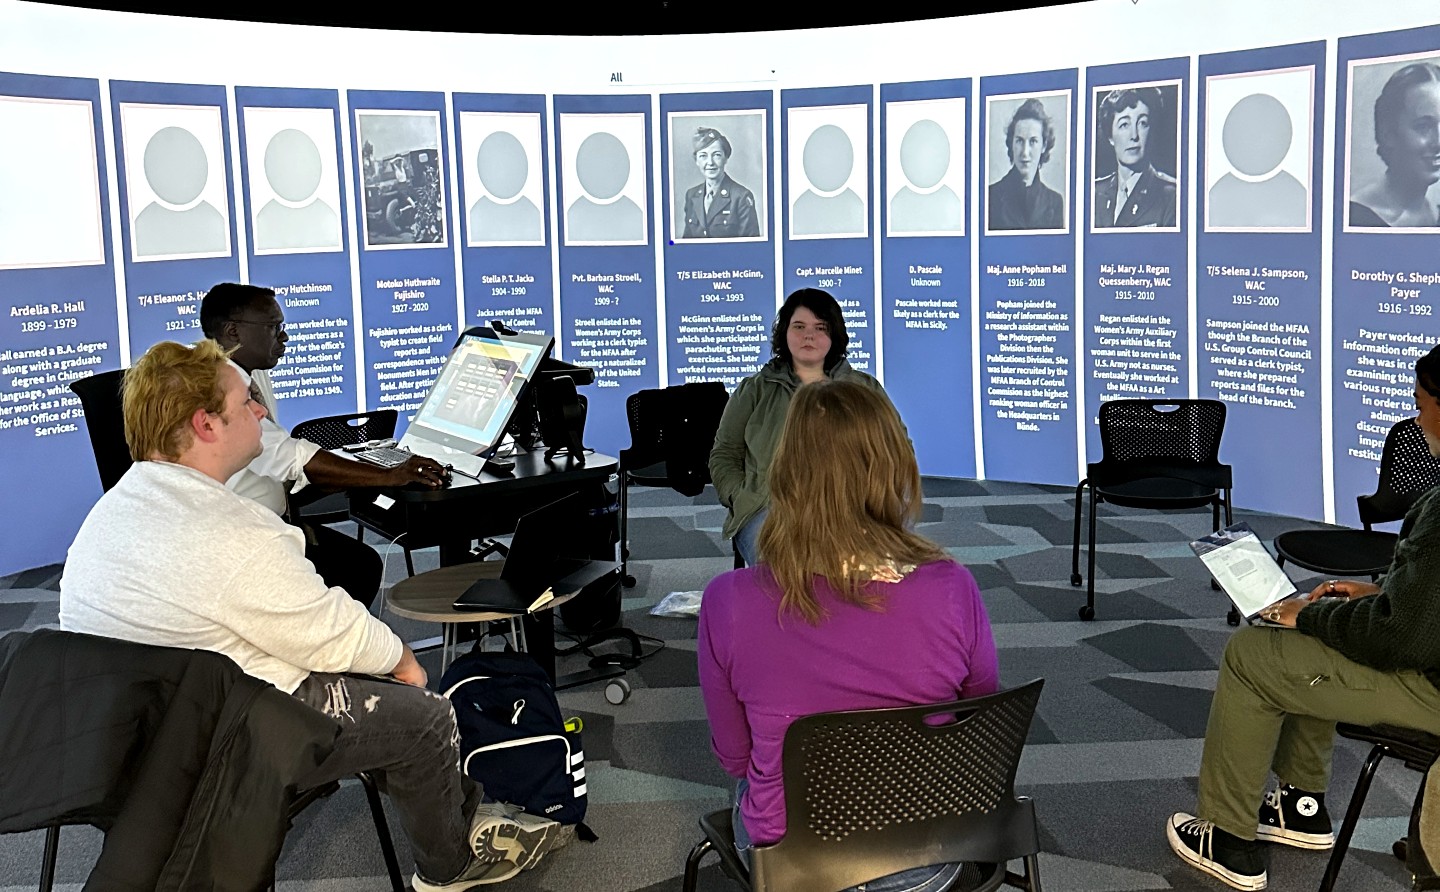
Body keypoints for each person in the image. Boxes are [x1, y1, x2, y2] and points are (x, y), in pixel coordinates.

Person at [59, 339, 568, 892]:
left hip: (126, 736)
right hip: (215, 740)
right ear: (206, 424)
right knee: (423, 715)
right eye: (248, 401)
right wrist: (402, 660)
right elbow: (332, 634)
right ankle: (449, 867)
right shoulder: (232, 532)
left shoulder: (114, 509)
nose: (261, 411)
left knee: (366, 678)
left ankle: (442, 798)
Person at [698, 378, 999, 892]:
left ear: (787, 474)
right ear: (893, 467)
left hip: (793, 862)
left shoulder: (727, 601)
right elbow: (978, 719)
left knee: (752, 785)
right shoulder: (953, 587)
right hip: (926, 856)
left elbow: (734, 757)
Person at [1166, 343, 1440, 891]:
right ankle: (1300, 806)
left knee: (1251, 653)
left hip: (1428, 685)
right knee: (1327, 618)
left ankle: (1225, 836)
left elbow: (1396, 639)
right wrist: (1378, 590)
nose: (1415, 414)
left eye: (1420, 401)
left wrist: (1310, 620)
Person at [200, 282, 450, 608]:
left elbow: (281, 463)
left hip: (272, 517)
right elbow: (288, 457)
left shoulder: (247, 371)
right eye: (274, 327)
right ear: (233, 331)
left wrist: (360, 469)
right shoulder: (216, 387)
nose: (284, 337)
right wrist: (393, 474)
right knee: (357, 568)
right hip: (241, 539)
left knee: (358, 563)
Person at [709, 288, 890, 567]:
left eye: (820, 327)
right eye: (799, 326)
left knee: (864, 574)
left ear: (834, 334)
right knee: (785, 576)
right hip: (769, 509)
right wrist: (738, 495)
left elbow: (896, 451)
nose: (809, 335)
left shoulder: (864, 390)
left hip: (852, 507)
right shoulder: (754, 391)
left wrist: (873, 501)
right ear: (785, 332)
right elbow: (725, 453)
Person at [1350, 61, 1440, 228]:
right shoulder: (1355, 218)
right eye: (1423, 126)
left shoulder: (1436, 215)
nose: (1438, 142)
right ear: (1389, 134)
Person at [1093, 87, 1177, 228]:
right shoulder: (1094, 193)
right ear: (1110, 136)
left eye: (1142, 123)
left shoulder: (1172, 195)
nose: (1134, 135)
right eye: (1124, 125)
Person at [987, 97, 1064, 231]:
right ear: (1011, 144)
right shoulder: (991, 197)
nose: (1025, 152)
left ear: (1044, 146)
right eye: (1019, 141)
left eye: (1033, 141)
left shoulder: (1055, 202)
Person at [681, 127, 759, 239]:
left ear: (726, 158)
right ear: (697, 161)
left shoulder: (741, 197)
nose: (710, 162)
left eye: (716, 155)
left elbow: (750, 248)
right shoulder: (691, 195)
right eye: (703, 156)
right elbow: (685, 244)